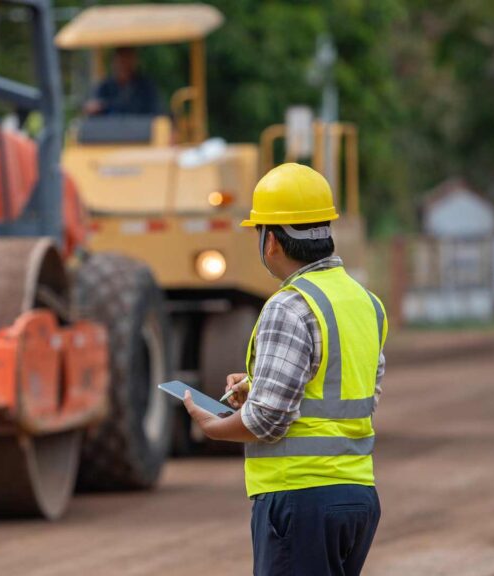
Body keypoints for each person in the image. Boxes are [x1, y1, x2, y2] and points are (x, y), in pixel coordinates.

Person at [182, 163, 387, 576]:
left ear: (270, 240)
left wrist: (212, 426)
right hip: (356, 497)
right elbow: (348, 390)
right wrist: (258, 385)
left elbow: (268, 420)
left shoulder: (288, 305)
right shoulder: (365, 302)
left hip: (299, 497)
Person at [84, 46, 160, 116]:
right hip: (109, 129)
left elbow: (157, 112)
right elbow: (93, 108)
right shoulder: (104, 87)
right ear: (114, 62)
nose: (124, 65)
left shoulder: (146, 87)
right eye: (121, 60)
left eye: (128, 60)